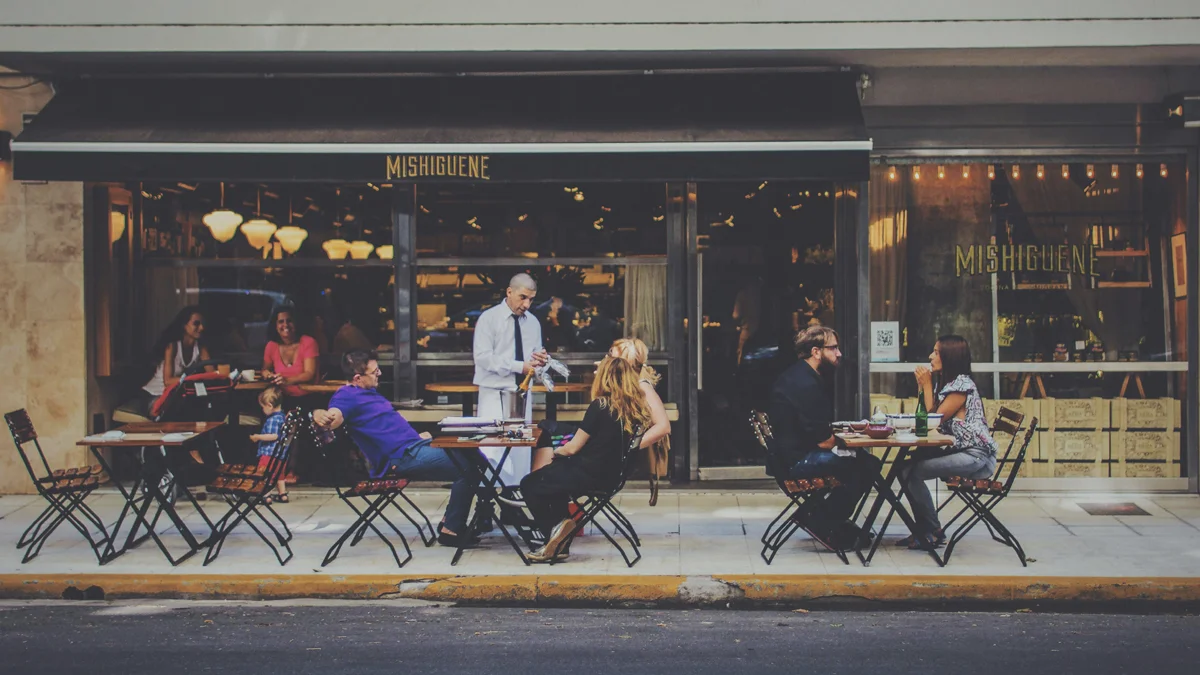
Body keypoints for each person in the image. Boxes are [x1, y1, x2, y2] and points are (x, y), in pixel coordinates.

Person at [312, 349, 475, 547]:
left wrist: (417, 436)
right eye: (374, 372)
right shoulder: (346, 396)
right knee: (469, 466)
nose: (379, 374)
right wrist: (319, 414)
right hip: (401, 457)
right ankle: (452, 529)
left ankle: (452, 522)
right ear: (357, 378)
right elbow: (333, 417)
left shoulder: (369, 391)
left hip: (414, 445)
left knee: (475, 455)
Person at [519, 357, 651, 563]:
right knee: (554, 484)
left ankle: (556, 530)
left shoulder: (600, 405)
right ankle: (559, 542)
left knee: (529, 483)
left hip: (587, 474)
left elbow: (573, 448)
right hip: (610, 476)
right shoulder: (635, 409)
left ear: (605, 378)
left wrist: (557, 452)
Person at [768, 325, 880, 550]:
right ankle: (822, 521)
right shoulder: (806, 384)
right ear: (816, 352)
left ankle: (824, 517)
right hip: (797, 461)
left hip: (787, 457)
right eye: (833, 348)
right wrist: (852, 437)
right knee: (865, 466)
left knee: (864, 463)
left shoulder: (800, 375)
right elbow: (824, 441)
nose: (839, 354)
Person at [899, 335, 999, 550]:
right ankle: (923, 529)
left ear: (949, 357)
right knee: (906, 467)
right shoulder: (949, 385)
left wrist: (926, 385)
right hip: (963, 451)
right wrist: (924, 387)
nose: (930, 356)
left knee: (910, 472)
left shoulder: (961, 386)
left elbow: (933, 420)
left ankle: (932, 530)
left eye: (936, 352)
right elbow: (926, 415)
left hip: (976, 457)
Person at [472, 273, 548, 484]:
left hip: (522, 395)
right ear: (509, 292)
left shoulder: (533, 323)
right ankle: (486, 505)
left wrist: (541, 362)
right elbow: (483, 358)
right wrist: (519, 366)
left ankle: (513, 503)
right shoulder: (489, 319)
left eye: (531, 299)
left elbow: (535, 360)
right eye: (523, 297)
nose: (527, 304)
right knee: (491, 450)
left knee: (520, 451)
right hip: (494, 393)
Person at [607, 338, 672, 505]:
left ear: (624, 362)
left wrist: (629, 448)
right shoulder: (626, 386)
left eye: (612, 356)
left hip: (617, 459)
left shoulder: (642, 386)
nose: (607, 360)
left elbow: (663, 426)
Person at [132, 305, 213, 418]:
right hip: (154, 394)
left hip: (174, 396)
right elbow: (168, 381)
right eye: (196, 324)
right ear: (184, 325)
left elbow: (212, 375)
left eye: (203, 324)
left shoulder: (201, 348)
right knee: (167, 413)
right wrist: (195, 380)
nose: (201, 328)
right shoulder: (172, 346)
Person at [261, 306, 320, 399]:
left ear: (296, 323)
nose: (286, 325)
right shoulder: (271, 345)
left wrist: (287, 380)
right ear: (275, 326)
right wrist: (269, 375)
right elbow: (265, 370)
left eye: (289, 321)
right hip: (281, 398)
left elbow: (309, 374)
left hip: (308, 397)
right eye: (281, 322)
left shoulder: (308, 342)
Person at [250, 386, 290, 504]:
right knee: (279, 475)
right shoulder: (283, 417)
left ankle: (265, 495)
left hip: (269, 453)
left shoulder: (273, 419)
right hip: (281, 455)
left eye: (263, 407)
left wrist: (258, 437)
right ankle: (282, 494)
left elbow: (274, 436)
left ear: (269, 406)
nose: (262, 410)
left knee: (264, 475)